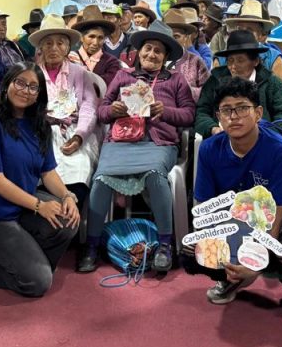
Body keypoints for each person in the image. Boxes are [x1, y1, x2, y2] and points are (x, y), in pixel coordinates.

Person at [193, 78, 282, 324]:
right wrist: (219, 247)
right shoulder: (209, 149)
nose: (234, 117)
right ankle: (229, 278)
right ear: (218, 117)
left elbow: (279, 209)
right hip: (232, 218)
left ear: (258, 113)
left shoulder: (280, 151)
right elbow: (205, 205)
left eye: (242, 108)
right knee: (193, 250)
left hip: (276, 220)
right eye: (226, 110)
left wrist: (257, 260)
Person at [78, 21, 196, 274]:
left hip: (158, 143)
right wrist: (113, 110)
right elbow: (102, 111)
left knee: (155, 176)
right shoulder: (124, 76)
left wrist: (166, 112)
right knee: (101, 179)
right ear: (139, 52)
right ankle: (91, 245)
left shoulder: (176, 80)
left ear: (165, 57)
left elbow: (189, 115)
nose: (152, 54)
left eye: (158, 51)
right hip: (121, 142)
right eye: (148, 49)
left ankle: (165, 244)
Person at [0, 63, 80, 296]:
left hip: (23, 205)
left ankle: (17, 258)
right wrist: (39, 205)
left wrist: (67, 196)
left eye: (32, 87)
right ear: (7, 84)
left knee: (68, 220)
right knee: (39, 283)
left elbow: (47, 172)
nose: (25, 90)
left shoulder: (39, 124)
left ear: (39, 94)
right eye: (19, 82)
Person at [30, 15, 100, 206]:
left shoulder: (79, 72)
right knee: (42, 167)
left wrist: (79, 137)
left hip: (74, 131)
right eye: (48, 43)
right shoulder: (32, 73)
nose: (54, 48)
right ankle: (51, 213)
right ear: (40, 47)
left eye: (60, 43)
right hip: (40, 132)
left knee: (79, 166)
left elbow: (89, 106)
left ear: (68, 47)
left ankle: (72, 214)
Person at [195, 30, 282, 139]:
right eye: (230, 61)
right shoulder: (215, 81)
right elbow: (201, 113)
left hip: (263, 140)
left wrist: (260, 134)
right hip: (221, 139)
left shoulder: (272, 83)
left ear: (255, 61)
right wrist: (213, 129)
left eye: (240, 60)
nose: (233, 66)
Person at [217, 0, 282, 83]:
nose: (243, 33)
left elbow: (280, 88)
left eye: (249, 30)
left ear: (260, 34)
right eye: (240, 29)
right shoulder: (221, 59)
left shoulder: (272, 58)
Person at [165, 7, 211, 101]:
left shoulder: (196, 61)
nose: (171, 41)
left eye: (176, 36)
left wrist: (184, 91)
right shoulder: (152, 59)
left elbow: (208, 92)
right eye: (167, 36)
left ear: (186, 37)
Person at [70, 4, 123, 87]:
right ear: (81, 37)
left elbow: (109, 85)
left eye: (100, 38)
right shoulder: (70, 58)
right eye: (91, 36)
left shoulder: (111, 62)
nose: (95, 42)